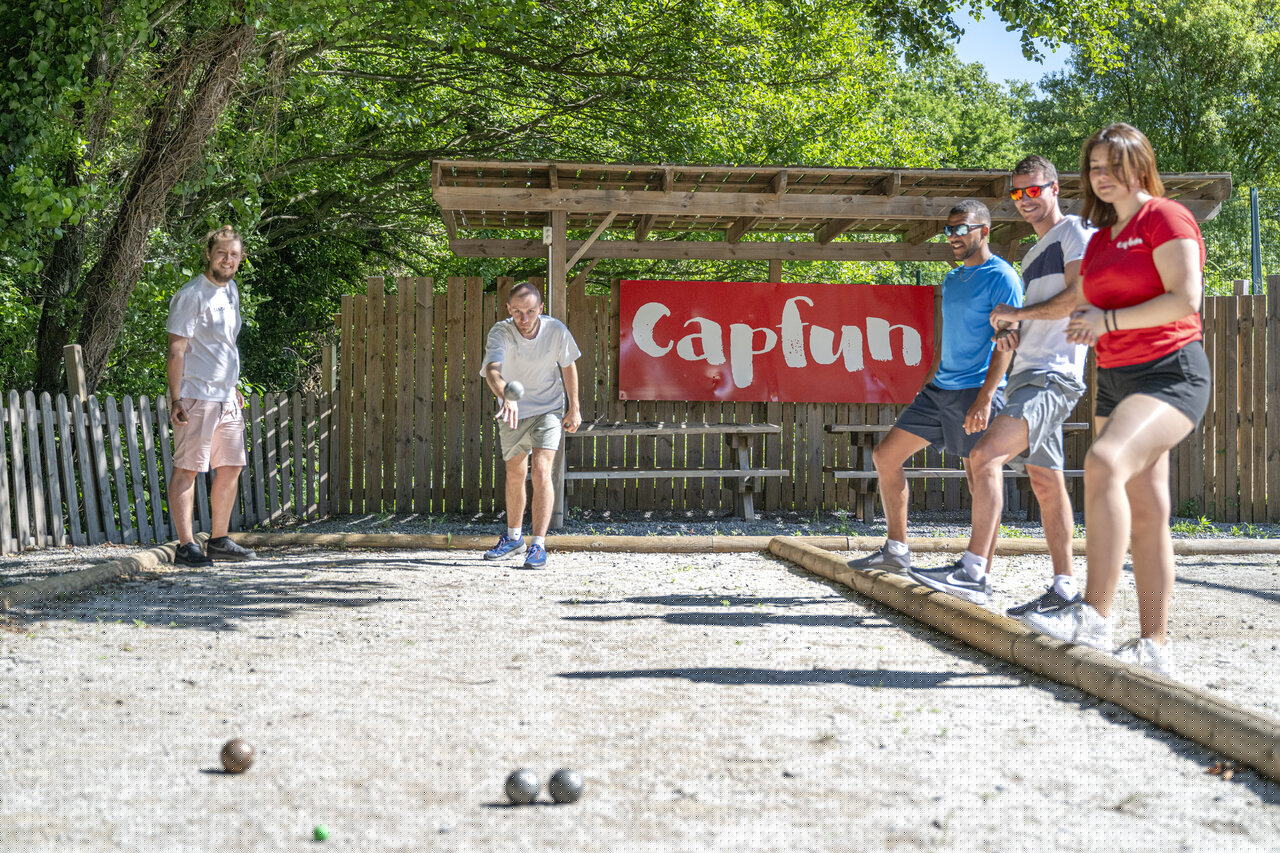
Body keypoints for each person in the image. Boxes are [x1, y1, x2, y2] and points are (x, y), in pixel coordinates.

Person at [1020, 123, 1211, 678]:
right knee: (1148, 512)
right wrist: (1059, 321)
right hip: (1118, 376)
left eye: (1111, 167)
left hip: (1172, 373)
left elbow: (1184, 298)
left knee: (1102, 462)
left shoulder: (1166, 217)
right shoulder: (1100, 238)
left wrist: (1107, 319)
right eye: (1094, 170)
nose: (1101, 178)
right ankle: (1155, 642)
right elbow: (1081, 302)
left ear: (1138, 164)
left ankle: (1094, 614)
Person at [908, 156, 1094, 610]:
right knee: (1047, 481)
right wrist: (1014, 330)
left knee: (984, 456)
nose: (1026, 200)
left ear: (1054, 189)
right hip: (1029, 373)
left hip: (1053, 376)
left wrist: (1018, 315)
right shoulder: (1032, 255)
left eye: (1034, 190)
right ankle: (1065, 588)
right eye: (1017, 193)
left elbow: (1078, 299)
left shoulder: (1074, 231)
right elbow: (1039, 316)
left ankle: (974, 572)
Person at [848, 200, 1022, 572]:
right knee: (886, 456)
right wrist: (927, 383)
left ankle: (978, 574)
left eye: (961, 228)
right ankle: (897, 550)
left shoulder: (1002, 276)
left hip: (976, 390)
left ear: (984, 231)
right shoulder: (953, 278)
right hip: (939, 389)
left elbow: (1007, 341)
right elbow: (947, 340)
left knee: (980, 475)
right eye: (949, 229)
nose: (953, 236)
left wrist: (987, 397)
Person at [166, 225, 257, 566]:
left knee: (231, 466)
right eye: (222, 253)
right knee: (188, 469)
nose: (228, 259)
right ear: (208, 254)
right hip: (196, 395)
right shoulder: (192, 294)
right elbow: (177, 349)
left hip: (226, 397)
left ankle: (218, 540)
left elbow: (225, 345)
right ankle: (186, 545)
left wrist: (233, 387)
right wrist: (176, 400)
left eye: (234, 254)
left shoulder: (231, 290)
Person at [480, 282, 582, 569]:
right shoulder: (501, 332)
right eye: (518, 312)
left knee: (540, 469)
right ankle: (513, 538)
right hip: (512, 409)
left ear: (541, 309)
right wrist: (505, 396)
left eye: (530, 311)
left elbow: (568, 365)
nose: (524, 318)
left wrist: (574, 407)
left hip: (548, 408)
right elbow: (492, 371)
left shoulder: (556, 331)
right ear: (508, 309)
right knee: (515, 472)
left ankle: (538, 544)